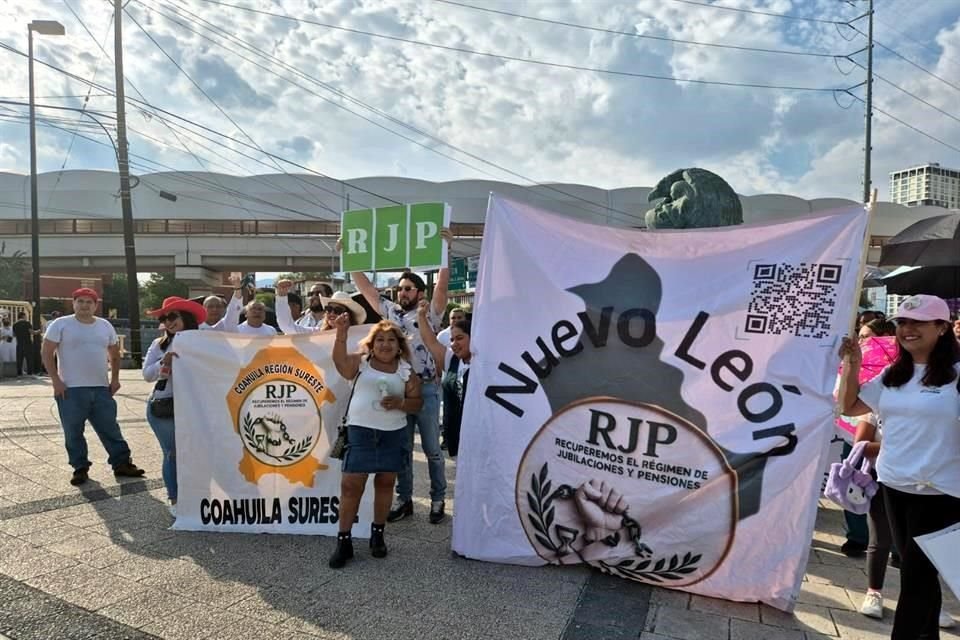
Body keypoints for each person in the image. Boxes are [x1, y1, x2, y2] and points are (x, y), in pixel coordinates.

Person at [839, 294, 960, 638]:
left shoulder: (957, 375)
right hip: (894, 485)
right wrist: (853, 362)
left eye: (918, 322)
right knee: (916, 572)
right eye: (902, 323)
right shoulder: (895, 373)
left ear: (942, 328)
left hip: (940, 491)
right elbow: (850, 406)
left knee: (917, 576)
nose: (907, 329)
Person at [349, 265, 450, 524]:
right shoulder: (391, 312)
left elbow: (441, 288)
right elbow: (368, 290)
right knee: (401, 449)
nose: (402, 293)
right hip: (398, 386)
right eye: (399, 289)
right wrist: (349, 259)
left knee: (432, 450)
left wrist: (445, 254)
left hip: (426, 388)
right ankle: (404, 499)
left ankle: (438, 500)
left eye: (407, 289)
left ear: (419, 292)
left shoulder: (430, 314)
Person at [328, 314, 423, 569]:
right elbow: (339, 362)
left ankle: (378, 535)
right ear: (372, 344)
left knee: (385, 483)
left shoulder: (406, 371)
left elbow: (417, 403)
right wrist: (341, 334)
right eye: (379, 340)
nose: (385, 344)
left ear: (399, 345)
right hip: (360, 432)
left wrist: (401, 403)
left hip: (393, 433)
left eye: (391, 340)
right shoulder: (360, 364)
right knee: (350, 486)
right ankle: (344, 541)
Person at [41, 288, 146, 486]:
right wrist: (56, 380)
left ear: (95, 305)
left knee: (110, 428)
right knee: (73, 431)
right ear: (73, 303)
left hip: (100, 388)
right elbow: (47, 353)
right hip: (71, 389)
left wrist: (115, 379)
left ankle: (122, 463)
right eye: (80, 301)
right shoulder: (61, 324)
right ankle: (80, 468)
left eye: (89, 302)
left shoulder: (104, 326)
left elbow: (114, 354)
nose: (84, 305)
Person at [142, 297, 205, 517]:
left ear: (185, 318)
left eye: (172, 316)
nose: (168, 322)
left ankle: (196, 494)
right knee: (173, 453)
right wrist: (163, 363)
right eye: (164, 318)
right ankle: (175, 498)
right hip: (164, 407)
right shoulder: (158, 345)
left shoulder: (204, 343)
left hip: (194, 408)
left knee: (197, 453)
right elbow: (147, 375)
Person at [417, 301, 471, 458]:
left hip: (480, 436)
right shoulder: (453, 360)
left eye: (460, 338)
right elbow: (431, 342)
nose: (454, 344)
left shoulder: (485, 365)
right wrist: (421, 316)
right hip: (458, 437)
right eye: (452, 340)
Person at [275, 281, 364, 334]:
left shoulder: (359, 335)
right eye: (329, 309)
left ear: (348, 315)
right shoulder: (319, 332)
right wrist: (281, 296)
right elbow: (287, 327)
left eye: (338, 310)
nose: (332, 313)